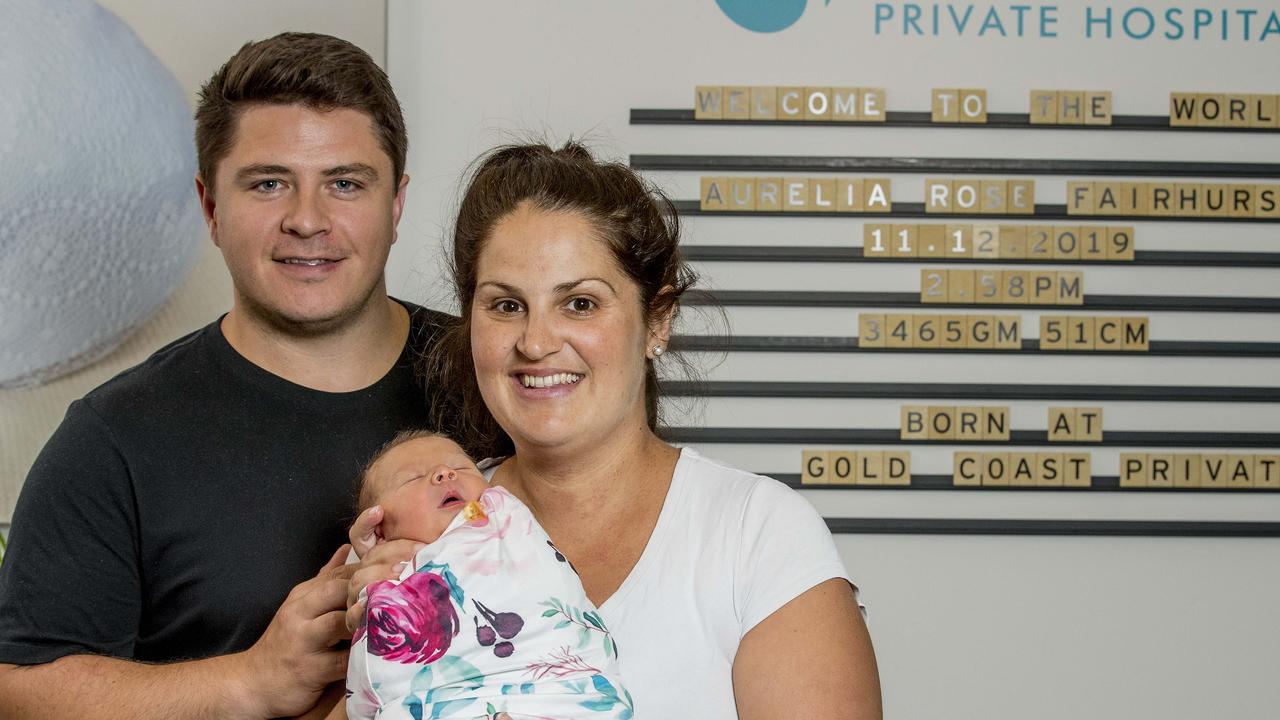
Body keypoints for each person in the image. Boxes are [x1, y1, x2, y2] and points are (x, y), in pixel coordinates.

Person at [0, 33, 453, 719]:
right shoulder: (116, 439)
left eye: (345, 183)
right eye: (268, 183)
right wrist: (248, 681)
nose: (307, 220)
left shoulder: (493, 375)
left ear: (395, 205)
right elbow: (20, 687)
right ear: (210, 207)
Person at [346, 143, 883, 719]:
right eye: (505, 306)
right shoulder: (419, 521)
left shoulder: (757, 535)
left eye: (580, 303)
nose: (536, 342)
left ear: (658, 320)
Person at [344, 431, 631, 719]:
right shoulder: (376, 581)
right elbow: (370, 693)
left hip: (567, 695)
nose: (444, 473)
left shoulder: (513, 529)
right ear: (379, 529)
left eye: (462, 468)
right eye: (413, 478)